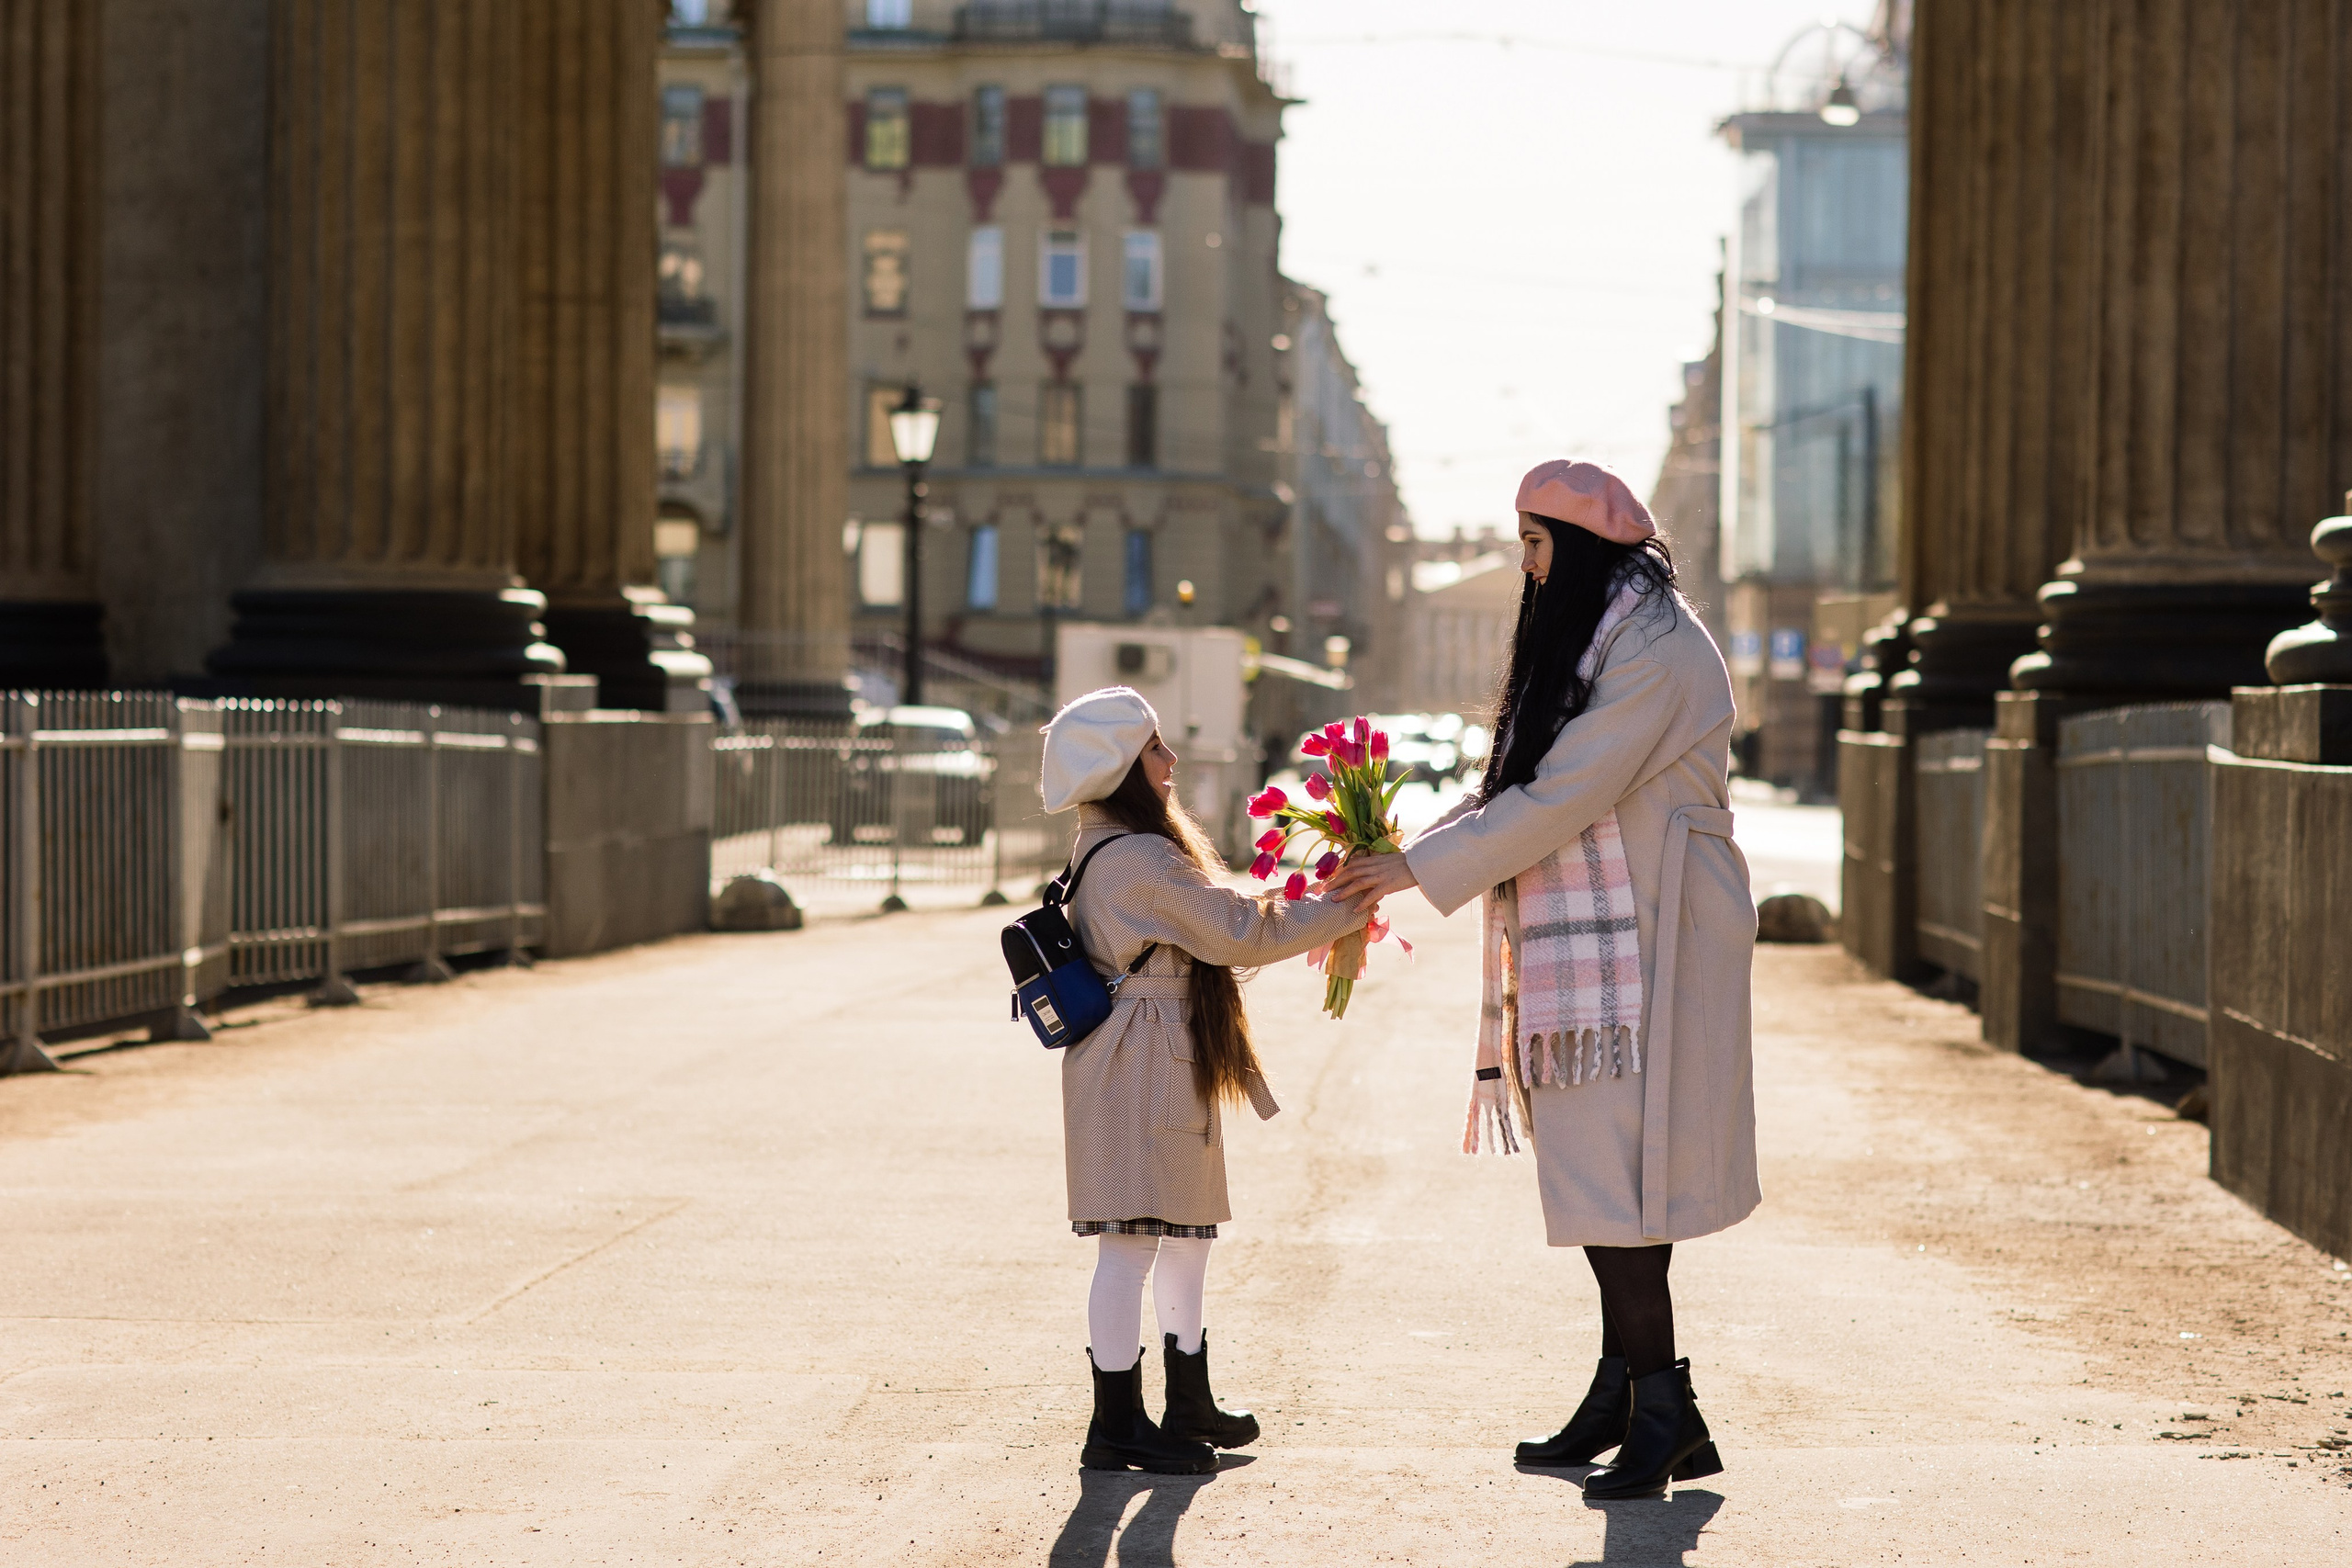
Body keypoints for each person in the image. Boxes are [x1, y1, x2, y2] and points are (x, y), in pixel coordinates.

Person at [1324, 458, 1759, 1499]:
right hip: (1622, 923)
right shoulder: (1611, 628)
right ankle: (1629, 1396)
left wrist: (1421, 867)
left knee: (1622, 1173)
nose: (1524, 566)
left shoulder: (1649, 642)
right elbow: (1516, 786)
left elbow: (1568, 787)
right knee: (1607, 1165)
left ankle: (1663, 1408)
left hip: (1657, 925)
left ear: (1581, 547)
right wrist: (1404, 851)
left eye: (1533, 545)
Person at [1038, 687, 1369, 1475]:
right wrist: (1345, 903)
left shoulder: (1109, 846)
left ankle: (1187, 1400)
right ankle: (1116, 1422)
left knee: (1186, 1235)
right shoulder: (1138, 857)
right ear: (1120, 767)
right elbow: (1238, 930)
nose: (1171, 760)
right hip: (1141, 1062)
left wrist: (1332, 901)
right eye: (1155, 747)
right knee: (1129, 1246)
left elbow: (1224, 918)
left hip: (1149, 1057)